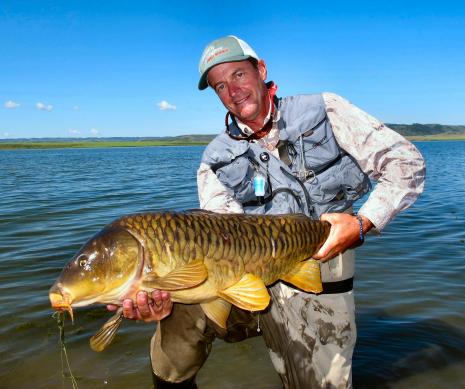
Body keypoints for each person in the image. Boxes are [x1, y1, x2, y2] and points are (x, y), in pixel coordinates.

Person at [112, 35, 426, 388]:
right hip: (244, 271)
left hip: (319, 264)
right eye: (220, 86)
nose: (232, 90)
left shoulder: (325, 109)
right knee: (179, 314)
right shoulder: (213, 160)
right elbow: (219, 238)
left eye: (238, 75)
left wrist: (362, 223)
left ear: (260, 70)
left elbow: (406, 164)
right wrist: (164, 294)